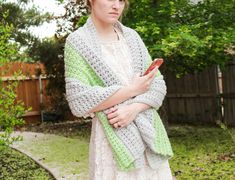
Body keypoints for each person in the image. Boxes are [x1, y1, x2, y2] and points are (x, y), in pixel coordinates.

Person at [64, 0, 174, 179]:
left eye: (121, 0)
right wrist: (132, 90)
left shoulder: (132, 37)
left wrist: (133, 108)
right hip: (111, 140)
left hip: (148, 136)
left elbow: (158, 85)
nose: (117, 5)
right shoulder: (78, 42)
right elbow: (78, 100)